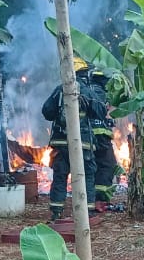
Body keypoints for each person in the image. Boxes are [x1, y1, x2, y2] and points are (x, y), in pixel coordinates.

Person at [42, 57, 100, 221]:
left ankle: (56, 213)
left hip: (61, 145)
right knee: (87, 175)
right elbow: (99, 111)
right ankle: (86, 213)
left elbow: (46, 112)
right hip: (84, 144)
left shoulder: (59, 90)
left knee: (60, 176)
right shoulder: (87, 92)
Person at [89, 66, 118, 212]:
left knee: (91, 167)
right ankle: (100, 200)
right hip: (101, 137)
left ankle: (92, 200)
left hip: (87, 137)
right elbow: (100, 113)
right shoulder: (100, 92)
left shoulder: (86, 90)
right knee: (107, 165)